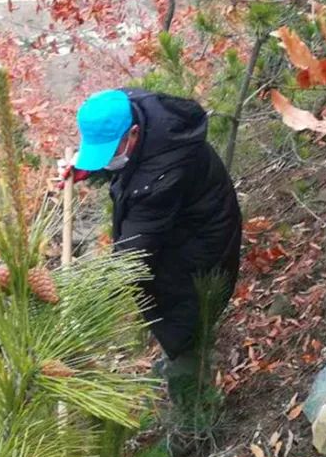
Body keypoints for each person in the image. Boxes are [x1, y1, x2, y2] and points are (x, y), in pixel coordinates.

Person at [63, 88, 242, 402]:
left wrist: (70, 295)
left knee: (185, 318)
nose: (105, 162)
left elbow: (130, 261)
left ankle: (194, 412)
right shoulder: (131, 108)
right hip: (180, 225)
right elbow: (121, 164)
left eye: (108, 153)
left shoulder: (162, 175)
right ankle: (179, 364)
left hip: (201, 243)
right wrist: (84, 169)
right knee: (169, 307)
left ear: (133, 134)